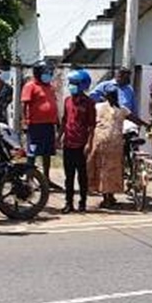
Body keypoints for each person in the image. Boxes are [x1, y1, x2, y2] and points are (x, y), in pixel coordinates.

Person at [88, 87, 131, 209]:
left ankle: (108, 197)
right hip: (111, 143)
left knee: (105, 169)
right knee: (110, 170)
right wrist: (147, 125)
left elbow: (90, 121)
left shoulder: (100, 107)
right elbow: (134, 119)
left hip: (105, 143)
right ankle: (108, 197)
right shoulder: (120, 109)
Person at [60, 69, 96, 213]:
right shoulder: (67, 101)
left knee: (82, 176)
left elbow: (91, 126)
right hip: (68, 143)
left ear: (82, 85)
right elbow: (64, 120)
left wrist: (89, 144)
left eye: (74, 83)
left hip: (81, 144)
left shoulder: (89, 103)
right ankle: (68, 203)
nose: (71, 86)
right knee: (68, 176)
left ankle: (82, 202)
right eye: (70, 83)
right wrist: (59, 137)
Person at [21, 61, 60, 189]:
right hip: (35, 125)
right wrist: (25, 122)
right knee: (32, 152)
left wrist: (57, 122)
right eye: (46, 72)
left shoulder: (49, 87)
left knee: (47, 153)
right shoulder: (30, 86)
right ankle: (29, 178)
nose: (48, 75)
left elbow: (53, 104)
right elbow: (24, 105)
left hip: (48, 125)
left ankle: (46, 179)